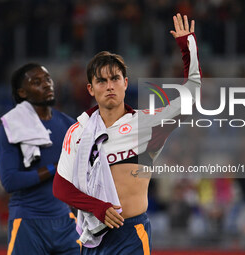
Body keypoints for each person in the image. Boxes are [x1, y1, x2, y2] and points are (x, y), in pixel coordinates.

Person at [53, 13, 201, 254]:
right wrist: (98, 208)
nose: (109, 85)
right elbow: (60, 187)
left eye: (115, 78)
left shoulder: (147, 123)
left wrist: (187, 48)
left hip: (130, 237)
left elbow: (192, 96)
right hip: (92, 238)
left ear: (125, 83)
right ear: (90, 88)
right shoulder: (78, 131)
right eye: (101, 81)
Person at [0, 63, 80, 255]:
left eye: (48, 79)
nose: (46, 84)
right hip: (28, 222)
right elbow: (10, 181)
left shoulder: (70, 125)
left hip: (65, 222)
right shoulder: (11, 127)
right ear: (23, 93)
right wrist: (56, 168)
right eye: (36, 82)